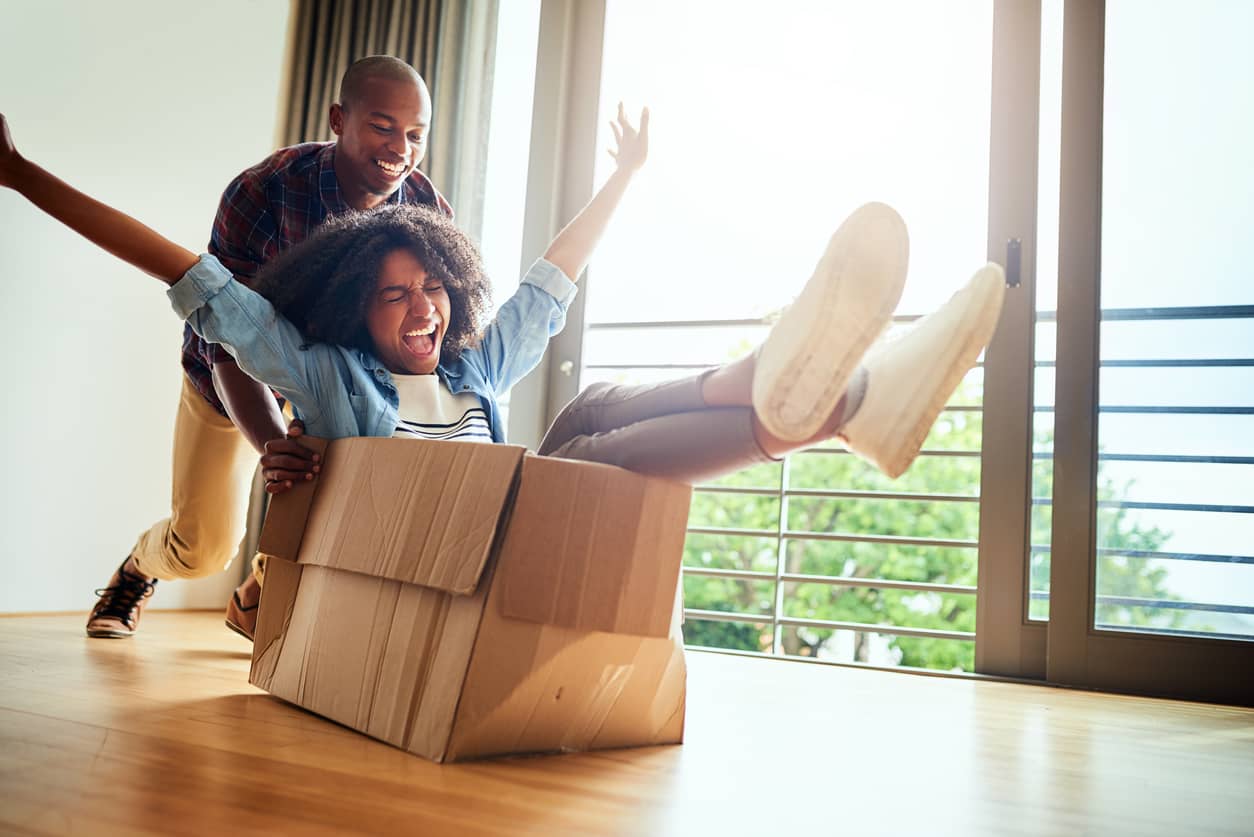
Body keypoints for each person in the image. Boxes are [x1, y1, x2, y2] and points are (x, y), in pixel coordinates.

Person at [0, 109, 1005, 630]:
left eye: (430, 287)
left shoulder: (474, 364)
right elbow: (185, 270)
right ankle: (816, 400)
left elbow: (552, 277)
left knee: (585, 417)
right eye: (392, 296)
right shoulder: (327, 375)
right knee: (576, 452)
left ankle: (828, 403)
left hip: (517, 532)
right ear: (358, 306)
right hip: (446, 570)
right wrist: (21, 173)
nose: (420, 309)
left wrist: (625, 176)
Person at [81, 56, 452, 641]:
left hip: (333, 383)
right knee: (201, 549)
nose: (400, 149)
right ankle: (137, 568)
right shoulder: (263, 192)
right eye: (383, 127)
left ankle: (257, 595)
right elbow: (228, 339)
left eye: (415, 135)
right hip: (229, 374)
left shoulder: (425, 211)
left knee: (335, 501)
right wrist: (272, 447)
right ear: (338, 118)